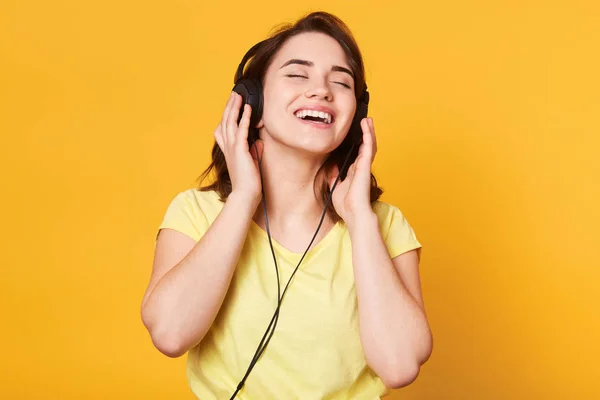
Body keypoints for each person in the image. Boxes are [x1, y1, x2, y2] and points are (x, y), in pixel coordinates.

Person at [141, 11, 433, 400]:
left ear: (356, 114)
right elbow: (170, 333)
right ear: (252, 103)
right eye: (298, 74)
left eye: (341, 82)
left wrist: (360, 219)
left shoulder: (384, 225)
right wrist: (244, 197)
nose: (322, 91)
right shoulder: (196, 212)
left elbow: (399, 366)